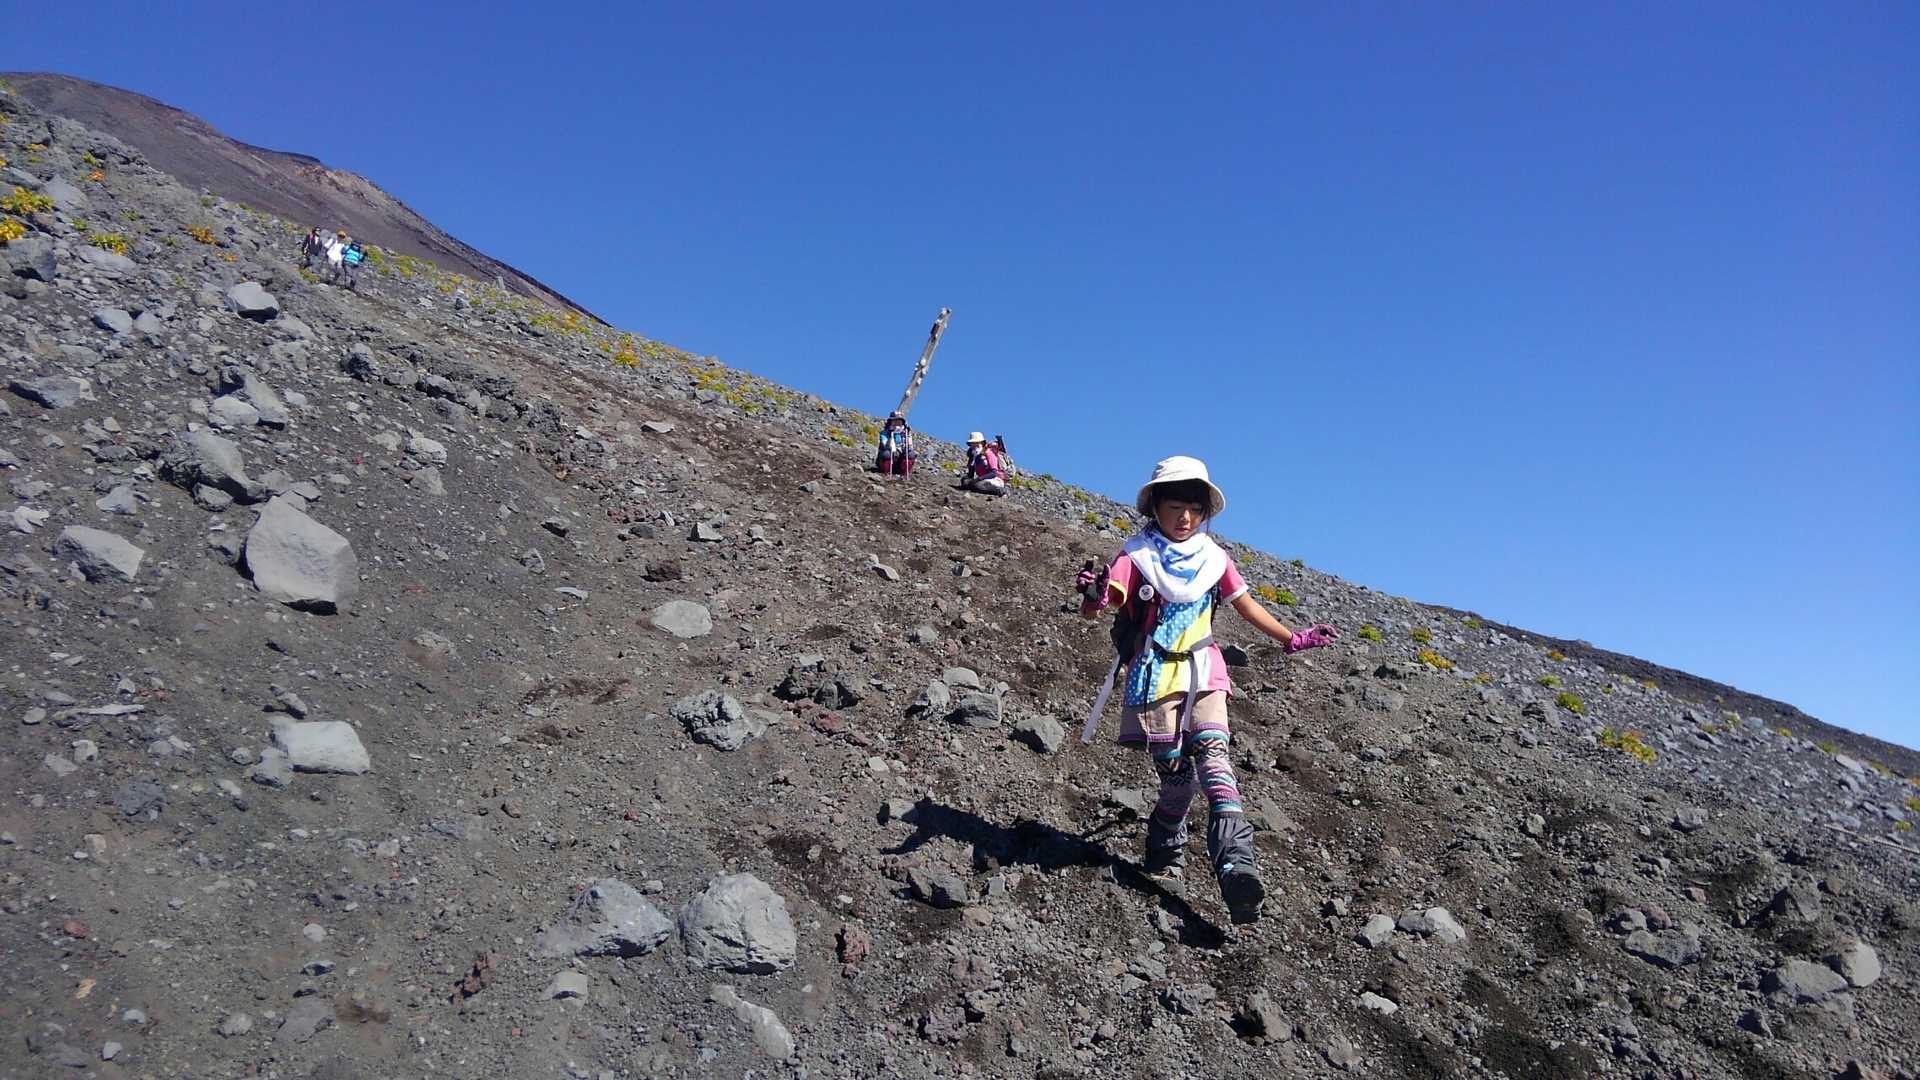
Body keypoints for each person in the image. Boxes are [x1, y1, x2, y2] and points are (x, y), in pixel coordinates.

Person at [1074, 455, 1337, 924]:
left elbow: (1246, 605)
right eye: (1175, 507)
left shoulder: (1214, 559)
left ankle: (1236, 865)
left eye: (1194, 509)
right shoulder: (1137, 556)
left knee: (1215, 757)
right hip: (1155, 677)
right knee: (1178, 779)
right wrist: (1094, 595)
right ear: (1156, 507)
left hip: (1205, 670)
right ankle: (1164, 846)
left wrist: (1292, 638)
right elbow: (1107, 599)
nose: (1185, 518)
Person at [875, 413, 914, 479]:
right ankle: (887, 472)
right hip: (888, 458)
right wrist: (890, 436)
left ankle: (905, 473)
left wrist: (907, 436)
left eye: (899, 422)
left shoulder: (906, 433)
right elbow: (884, 445)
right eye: (894, 421)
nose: (897, 424)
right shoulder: (884, 433)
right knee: (886, 453)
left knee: (910, 454)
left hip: (900, 460)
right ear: (890, 422)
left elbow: (910, 447)